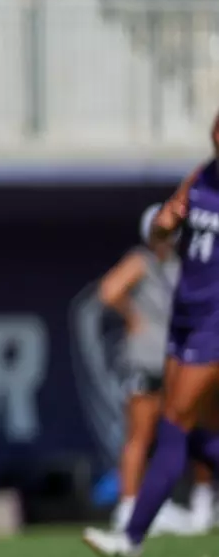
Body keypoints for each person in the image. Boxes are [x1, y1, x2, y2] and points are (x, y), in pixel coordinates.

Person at [86, 121, 219, 557]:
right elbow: (164, 225)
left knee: (175, 423)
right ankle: (140, 525)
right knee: (195, 431)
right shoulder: (203, 176)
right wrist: (165, 224)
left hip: (213, 322)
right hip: (185, 317)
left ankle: (132, 534)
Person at [96, 207, 214, 536]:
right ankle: (128, 506)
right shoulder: (141, 261)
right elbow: (109, 291)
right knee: (140, 435)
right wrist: (133, 317)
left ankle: (198, 503)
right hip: (146, 361)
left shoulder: (183, 266)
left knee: (189, 431)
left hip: (177, 360)